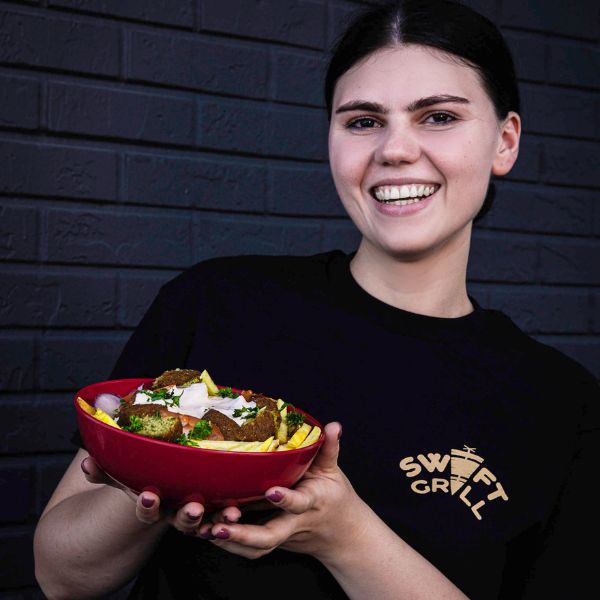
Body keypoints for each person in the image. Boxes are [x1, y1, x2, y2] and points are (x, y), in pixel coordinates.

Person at [34, 1, 599, 598]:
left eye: (437, 116)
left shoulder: (566, 407)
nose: (395, 150)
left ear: (504, 142)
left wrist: (344, 534)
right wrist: (168, 465)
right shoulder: (217, 303)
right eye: (362, 121)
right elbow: (62, 578)